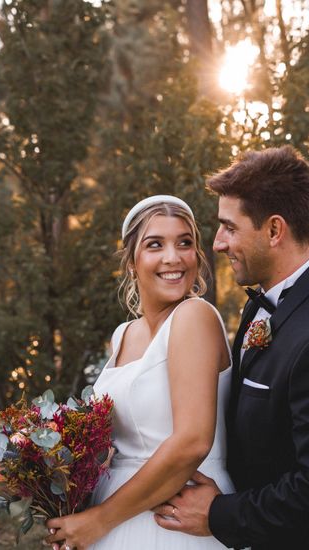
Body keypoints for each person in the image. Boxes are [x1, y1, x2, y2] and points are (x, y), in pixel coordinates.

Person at [152, 147, 309, 549]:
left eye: (230, 228)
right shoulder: (264, 304)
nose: (218, 244)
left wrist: (218, 515)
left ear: (275, 231)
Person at [44, 195, 234, 550]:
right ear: (131, 262)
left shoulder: (194, 317)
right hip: (116, 514)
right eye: (154, 245)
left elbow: (191, 442)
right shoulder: (123, 335)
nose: (173, 257)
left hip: (174, 520)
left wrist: (98, 520)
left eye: (184, 243)